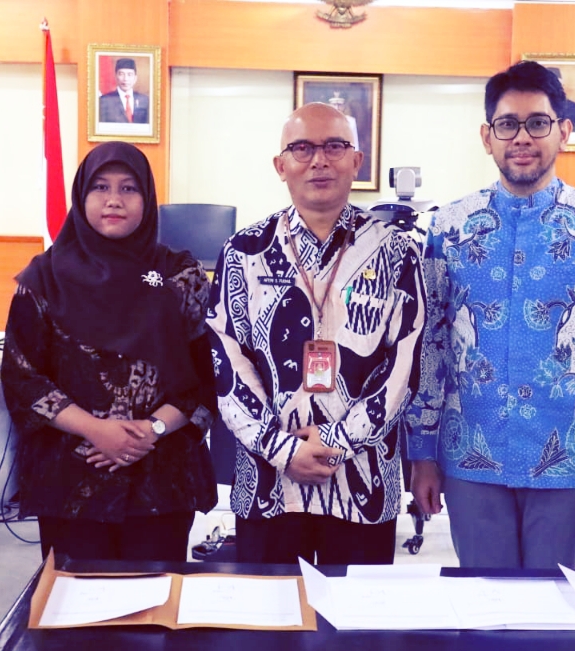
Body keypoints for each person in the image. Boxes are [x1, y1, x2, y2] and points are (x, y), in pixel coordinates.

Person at [406, 60, 575, 569]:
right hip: (471, 452)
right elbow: (428, 350)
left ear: (563, 131)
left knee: (553, 601)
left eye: (538, 123)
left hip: (565, 454)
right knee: (483, 599)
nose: (522, 137)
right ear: (487, 137)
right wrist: (422, 453)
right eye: (507, 124)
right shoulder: (448, 229)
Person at [207, 102, 424, 565]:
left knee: (357, 611)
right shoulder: (244, 251)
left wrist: (339, 441)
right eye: (302, 148)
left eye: (335, 147)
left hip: (363, 479)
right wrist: (281, 448)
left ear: (356, 161)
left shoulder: (397, 251)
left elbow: (406, 363)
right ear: (280, 165)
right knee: (270, 609)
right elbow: (226, 360)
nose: (319, 160)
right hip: (269, 483)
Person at [2, 141, 217, 562]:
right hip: (70, 477)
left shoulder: (180, 275)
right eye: (100, 187)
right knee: (74, 597)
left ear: (147, 198)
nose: (113, 200)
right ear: (81, 196)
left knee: (156, 596)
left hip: (162, 478)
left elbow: (206, 375)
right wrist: (95, 429)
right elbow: (22, 378)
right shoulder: (44, 277)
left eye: (128, 188)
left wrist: (151, 431)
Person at [98, 58, 149, 124]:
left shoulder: (144, 100)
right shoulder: (104, 101)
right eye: (121, 74)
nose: (125, 79)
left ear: (135, 78)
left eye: (129, 74)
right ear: (116, 77)